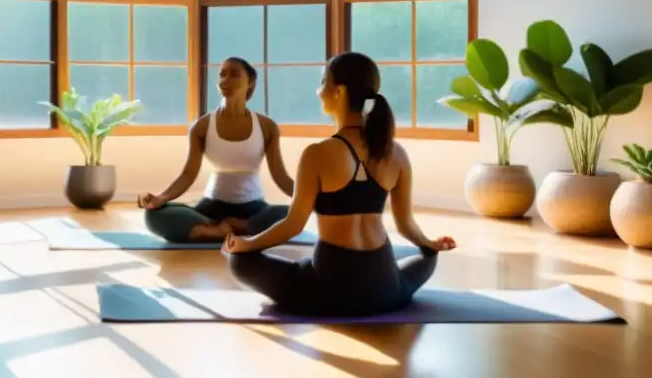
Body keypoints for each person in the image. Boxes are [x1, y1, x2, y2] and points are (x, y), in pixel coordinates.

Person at [222, 51, 456, 316]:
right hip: (384, 288)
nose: (318, 91)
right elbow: (406, 225)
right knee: (428, 256)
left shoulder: (318, 153)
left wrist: (247, 244)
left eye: (323, 82)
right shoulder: (396, 153)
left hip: (328, 289)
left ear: (339, 92)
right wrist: (430, 244)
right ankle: (421, 261)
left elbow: (293, 225)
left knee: (239, 261)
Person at [137, 57, 295, 242]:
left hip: (254, 208)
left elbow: (280, 176)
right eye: (222, 74)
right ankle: (216, 229)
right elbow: (188, 174)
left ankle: (236, 227)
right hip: (211, 209)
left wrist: (311, 200)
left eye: (234, 74)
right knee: (154, 216)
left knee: (292, 213)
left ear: (251, 82)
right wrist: (159, 199)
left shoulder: (267, 127)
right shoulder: (201, 127)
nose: (224, 80)